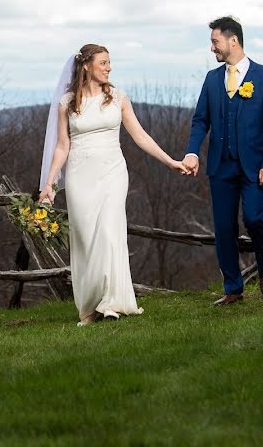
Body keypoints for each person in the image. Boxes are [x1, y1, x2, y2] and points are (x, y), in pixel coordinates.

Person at [39, 44, 188, 326]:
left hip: (112, 173)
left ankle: (111, 302)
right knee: (85, 240)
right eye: (104, 63)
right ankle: (90, 306)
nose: (109, 68)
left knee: (109, 231)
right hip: (80, 176)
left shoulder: (118, 98)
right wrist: (49, 184)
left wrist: (171, 161)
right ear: (87, 66)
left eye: (110, 63)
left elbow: (140, 137)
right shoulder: (68, 103)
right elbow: (61, 146)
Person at [183, 16, 263, 305]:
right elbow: (200, 119)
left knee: (254, 218)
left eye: (215, 42)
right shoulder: (212, 79)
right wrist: (192, 151)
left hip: (254, 166)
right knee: (224, 228)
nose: (212, 48)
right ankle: (233, 289)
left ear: (233, 40)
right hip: (220, 165)